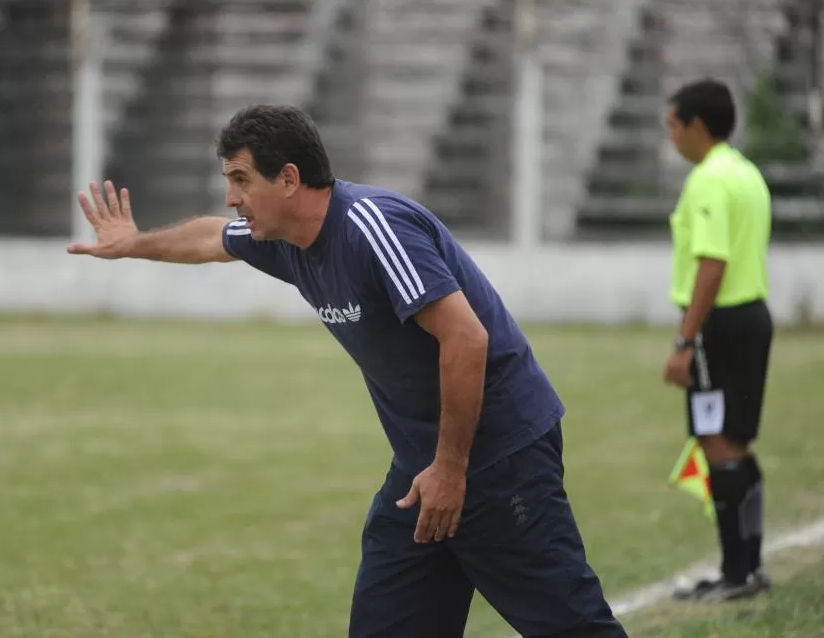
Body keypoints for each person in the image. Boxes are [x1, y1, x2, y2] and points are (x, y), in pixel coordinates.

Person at [68, 104, 628, 637]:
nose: (231, 196)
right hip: (420, 470)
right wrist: (133, 244)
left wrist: (451, 468)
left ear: (288, 179)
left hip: (499, 455)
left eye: (241, 179)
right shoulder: (283, 240)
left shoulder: (372, 227)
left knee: (569, 625)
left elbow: (466, 337)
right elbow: (210, 238)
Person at [662, 79, 774, 601]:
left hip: (718, 327)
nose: (671, 137)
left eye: (673, 126)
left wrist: (686, 342)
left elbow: (712, 263)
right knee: (736, 442)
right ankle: (747, 568)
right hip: (751, 317)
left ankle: (737, 576)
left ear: (697, 126)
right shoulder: (747, 173)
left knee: (718, 443)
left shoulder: (708, 180)